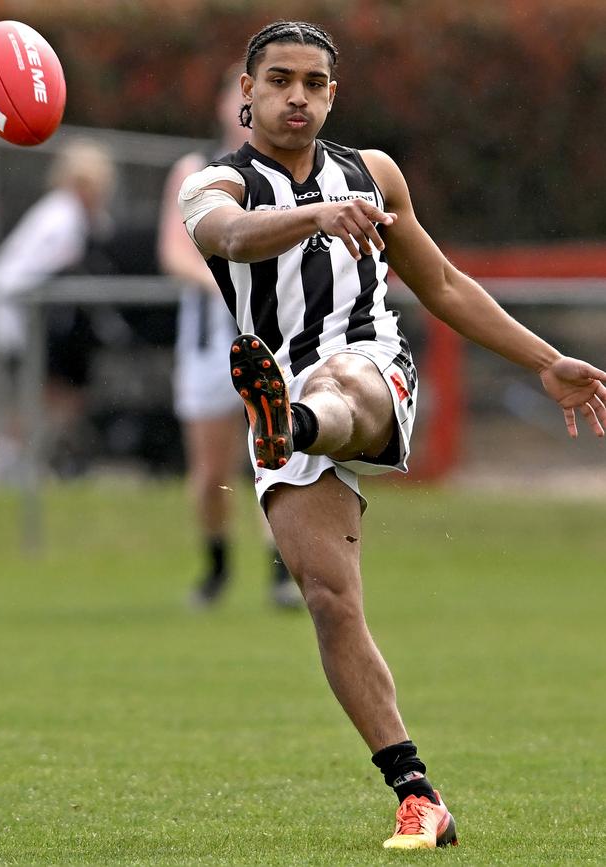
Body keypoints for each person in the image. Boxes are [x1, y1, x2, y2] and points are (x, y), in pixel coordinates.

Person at [178, 20, 606, 850]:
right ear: (247, 92)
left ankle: (292, 423)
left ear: (333, 94)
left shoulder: (372, 175)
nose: (296, 96)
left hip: (370, 368)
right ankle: (418, 792)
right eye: (279, 80)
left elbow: (441, 282)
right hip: (278, 384)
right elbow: (226, 238)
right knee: (332, 603)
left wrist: (546, 360)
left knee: (338, 385)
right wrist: (312, 218)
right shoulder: (214, 186)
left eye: (314, 82)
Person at [158, 67, 302, 608]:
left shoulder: (285, 176)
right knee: (212, 471)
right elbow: (175, 253)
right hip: (208, 344)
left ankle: (282, 572)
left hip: (276, 339)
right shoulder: (194, 171)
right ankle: (216, 564)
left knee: (279, 452)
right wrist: (229, 279)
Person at [0, 138, 117, 480]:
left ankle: (29, 458)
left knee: (55, 390)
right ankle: (8, 458)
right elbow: (41, 273)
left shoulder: (71, 214)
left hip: (30, 312)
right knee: (40, 391)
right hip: (15, 312)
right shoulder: (62, 218)